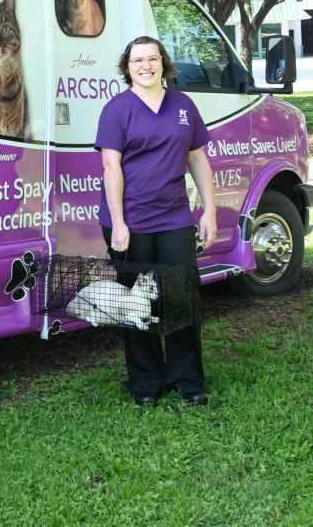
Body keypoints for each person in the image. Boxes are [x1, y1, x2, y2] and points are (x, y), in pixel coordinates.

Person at [95, 35, 216, 407]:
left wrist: (209, 209)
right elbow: (110, 167)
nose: (145, 66)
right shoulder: (118, 109)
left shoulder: (183, 105)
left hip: (175, 217)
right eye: (137, 61)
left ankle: (187, 377)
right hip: (130, 221)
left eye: (152, 59)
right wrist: (119, 223)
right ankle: (145, 381)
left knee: (182, 295)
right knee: (136, 303)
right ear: (126, 67)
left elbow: (197, 158)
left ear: (163, 62)